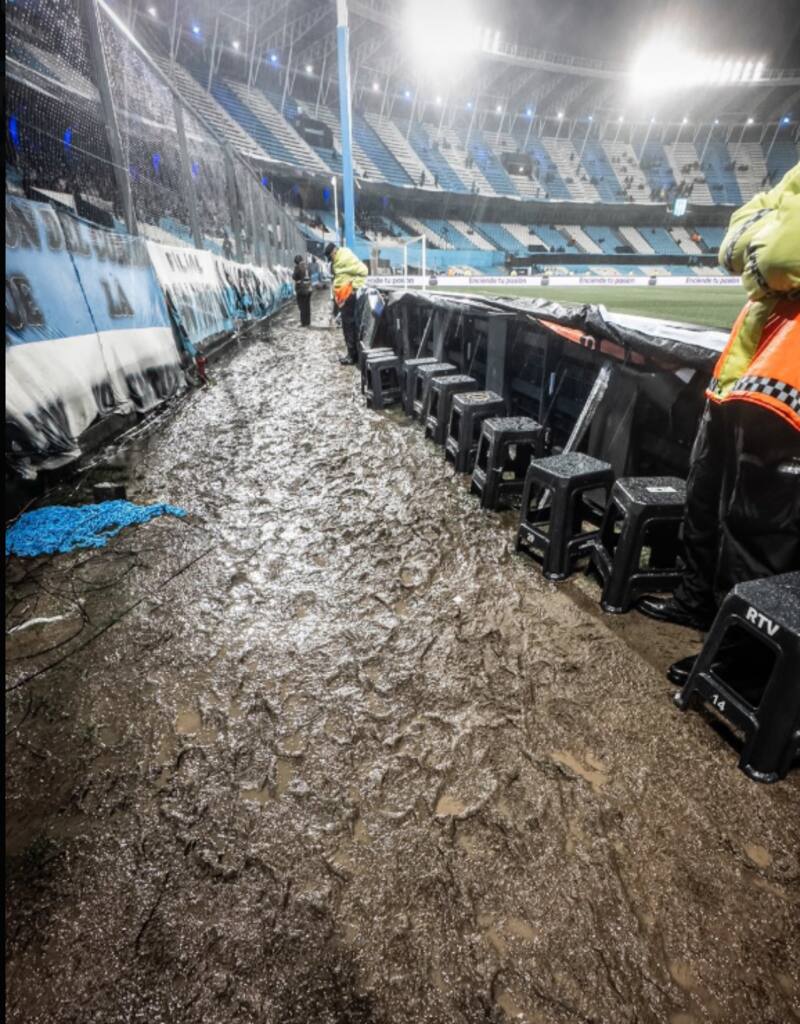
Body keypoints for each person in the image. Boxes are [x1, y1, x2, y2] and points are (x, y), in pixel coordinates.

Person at [638, 163, 800, 683]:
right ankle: (698, 604)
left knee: (756, 530)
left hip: (785, 390)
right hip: (742, 376)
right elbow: (733, 247)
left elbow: (775, 258)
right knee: (706, 501)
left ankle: (740, 661)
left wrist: (766, 234)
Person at [324, 241, 368, 365]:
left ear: (334, 251)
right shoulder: (338, 260)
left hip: (348, 297)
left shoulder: (345, 257)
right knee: (347, 326)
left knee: (349, 326)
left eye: (330, 256)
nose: (331, 259)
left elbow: (364, 271)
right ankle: (352, 353)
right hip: (342, 297)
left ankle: (352, 356)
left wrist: (353, 289)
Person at [292, 253, 312, 327]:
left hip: (301, 290)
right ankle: (308, 322)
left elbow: (294, 276)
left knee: (302, 307)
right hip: (308, 289)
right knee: (307, 306)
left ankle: (303, 323)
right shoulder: (307, 266)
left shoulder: (298, 267)